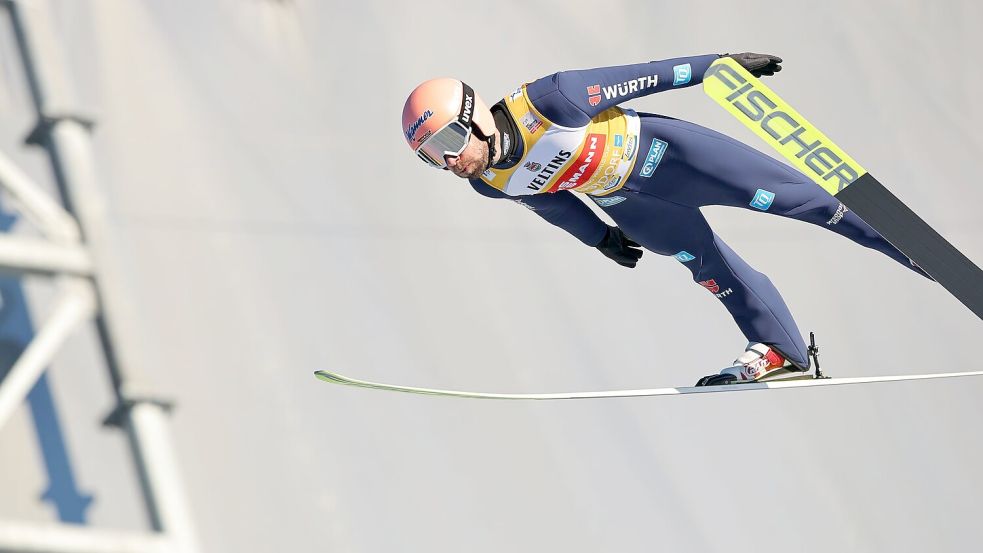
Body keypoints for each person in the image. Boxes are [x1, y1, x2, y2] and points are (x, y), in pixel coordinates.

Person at [400, 52, 929, 386]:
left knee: (808, 204)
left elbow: (646, 78)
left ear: (473, 118)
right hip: (632, 206)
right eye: (430, 156)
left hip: (671, 157)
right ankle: (781, 350)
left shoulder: (551, 99)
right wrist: (599, 237)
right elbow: (547, 200)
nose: (448, 162)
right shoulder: (486, 180)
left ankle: (924, 256)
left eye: (447, 142)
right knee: (712, 270)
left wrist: (719, 66)